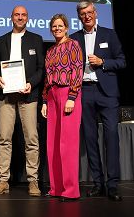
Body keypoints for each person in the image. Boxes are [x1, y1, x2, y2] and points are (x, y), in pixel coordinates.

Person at [70, 1, 126, 202]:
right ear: (79, 17)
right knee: (90, 139)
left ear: (95, 13)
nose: (87, 16)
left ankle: (112, 185)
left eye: (89, 12)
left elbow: (121, 61)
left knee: (111, 136)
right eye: (83, 13)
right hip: (84, 92)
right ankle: (98, 183)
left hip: (107, 93)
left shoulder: (109, 34)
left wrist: (103, 62)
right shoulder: (74, 39)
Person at [0, 5, 44, 196]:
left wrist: (31, 83)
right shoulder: (1, 40)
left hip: (28, 96)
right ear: (11, 17)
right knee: (4, 138)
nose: (20, 17)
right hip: (6, 96)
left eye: (23, 15)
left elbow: (41, 69)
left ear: (27, 18)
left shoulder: (36, 40)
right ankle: (3, 180)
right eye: (17, 15)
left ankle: (33, 181)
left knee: (31, 139)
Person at [41, 14, 83, 202]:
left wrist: (72, 97)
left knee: (68, 143)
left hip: (68, 94)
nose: (57, 28)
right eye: (54, 26)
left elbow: (77, 70)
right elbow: (47, 77)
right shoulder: (50, 51)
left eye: (60, 26)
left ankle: (71, 190)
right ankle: (56, 188)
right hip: (51, 96)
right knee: (53, 143)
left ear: (66, 27)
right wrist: (44, 101)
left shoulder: (73, 45)